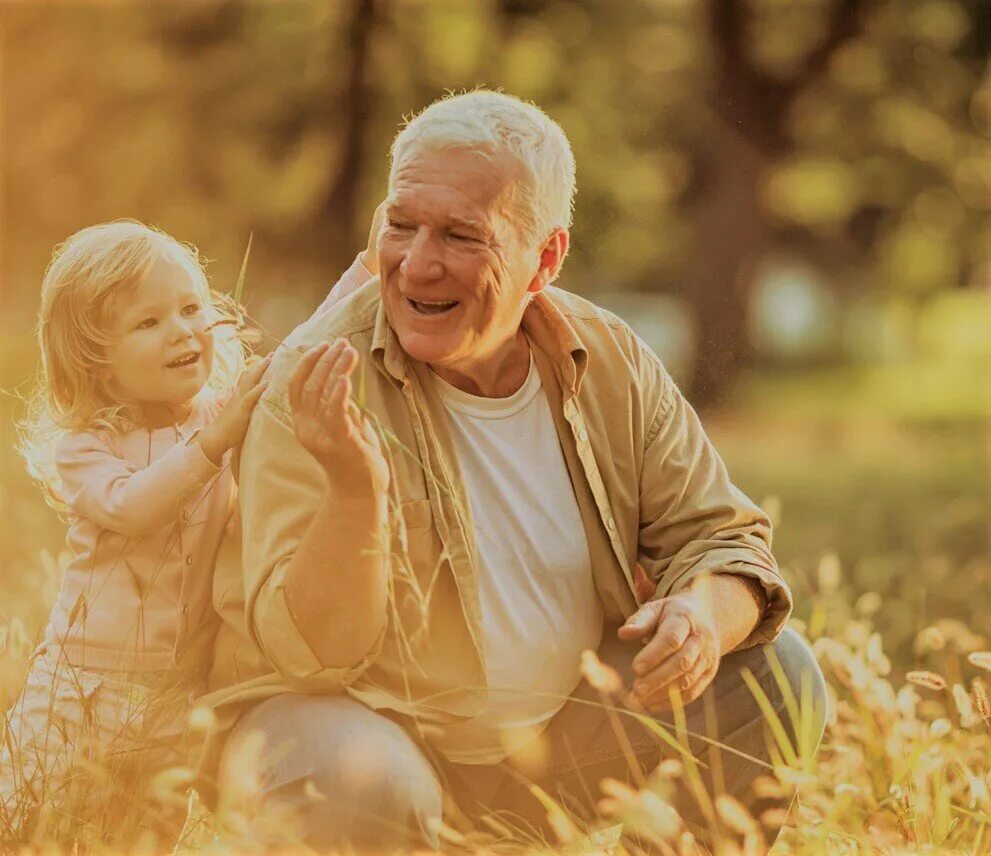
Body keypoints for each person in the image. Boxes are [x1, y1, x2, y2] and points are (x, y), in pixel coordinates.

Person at [200, 90, 828, 851]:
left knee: (775, 675)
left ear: (547, 258)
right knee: (356, 779)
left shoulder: (608, 359)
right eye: (401, 225)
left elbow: (720, 538)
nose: (417, 263)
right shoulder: (316, 378)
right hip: (355, 735)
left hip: (558, 740)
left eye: (462, 235)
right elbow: (310, 658)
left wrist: (700, 616)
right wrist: (354, 493)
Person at [2, 219, 371, 840]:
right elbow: (132, 506)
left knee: (144, 837)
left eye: (191, 308)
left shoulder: (219, 407)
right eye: (147, 323)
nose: (182, 331)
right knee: (36, 826)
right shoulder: (88, 446)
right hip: (82, 692)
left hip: (181, 695)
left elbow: (299, 351)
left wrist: (367, 269)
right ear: (97, 363)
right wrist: (215, 441)